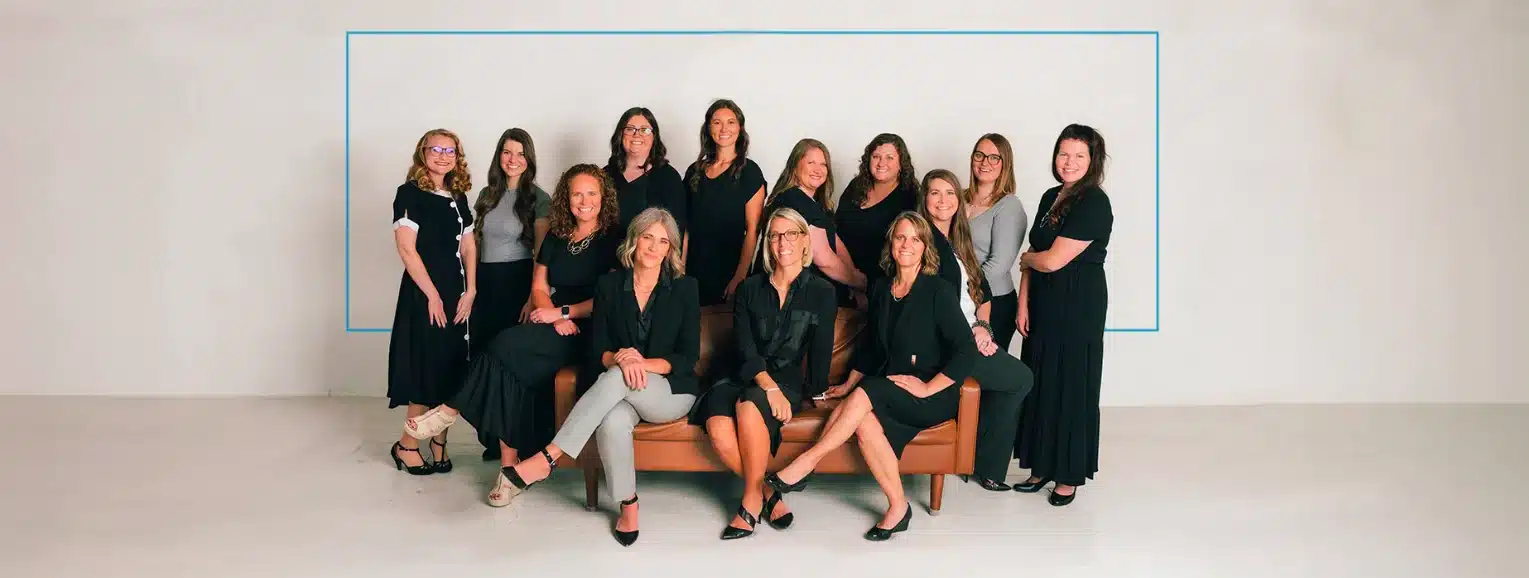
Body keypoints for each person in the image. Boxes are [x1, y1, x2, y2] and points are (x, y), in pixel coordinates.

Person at [469, 207, 699, 547]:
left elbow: (687, 358)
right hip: (622, 389)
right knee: (612, 422)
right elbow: (597, 351)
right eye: (647, 237)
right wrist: (619, 358)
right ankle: (629, 504)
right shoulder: (609, 286)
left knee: (617, 376)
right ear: (634, 240)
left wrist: (638, 362)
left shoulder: (685, 288)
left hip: (669, 392)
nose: (654, 247)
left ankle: (548, 458)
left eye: (663, 241)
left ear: (670, 249)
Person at [402, 164, 621, 491]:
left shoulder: (615, 239)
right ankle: (509, 468)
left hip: (589, 329)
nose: (584, 201)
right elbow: (539, 286)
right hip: (554, 322)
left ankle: (451, 408)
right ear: (567, 198)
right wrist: (553, 315)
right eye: (577, 194)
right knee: (504, 354)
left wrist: (564, 313)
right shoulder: (558, 234)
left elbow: (611, 298)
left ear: (604, 197)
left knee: (505, 349)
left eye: (591, 193)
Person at [764, 212, 977, 541]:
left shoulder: (938, 290)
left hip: (932, 394)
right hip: (892, 389)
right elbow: (873, 349)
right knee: (864, 420)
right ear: (891, 243)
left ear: (925, 247)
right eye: (900, 237)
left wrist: (928, 387)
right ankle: (898, 507)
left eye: (915, 239)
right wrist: (848, 384)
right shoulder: (881, 289)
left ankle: (806, 463)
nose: (906, 245)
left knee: (870, 391)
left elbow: (967, 350)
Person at [690, 207, 838, 540]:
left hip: (785, 380)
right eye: (775, 235)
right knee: (718, 428)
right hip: (737, 372)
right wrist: (768, 387)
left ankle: (750, 502)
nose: (783, 242)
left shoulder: (822, 292)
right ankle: (768, 492)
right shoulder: (750, 288)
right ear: (768, 243)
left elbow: (821, 351)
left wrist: (818, 393)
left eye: (791, 234)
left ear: (805, 240)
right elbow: (745, 348)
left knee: (748, 406)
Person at [1013, 124, 1114, 506]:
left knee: (1071, 384)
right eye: (1063, 154)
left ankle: (1067, 475)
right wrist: (1023, 303)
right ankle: (1041, 466)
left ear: (1093, 161)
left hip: (1077, 306)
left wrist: (1028, 259)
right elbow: (1031, 258)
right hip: (1042, 303)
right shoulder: (1050, 196)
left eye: (1079, 156)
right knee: (1040, 382)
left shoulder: (1094, 202)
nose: (1069, 162)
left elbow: (1052, 260)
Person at [918, 169, 1034, 492]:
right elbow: (928, 306)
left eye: (950, 193)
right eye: (935, 192)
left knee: (1016, 379)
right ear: (924, 199)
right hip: (948, 342)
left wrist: (982, 327)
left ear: (959, 199)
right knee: (1020, 379)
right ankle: (985, 465)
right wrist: (969, 337)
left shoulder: (958, 240)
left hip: (971, 333)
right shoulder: (921, 240)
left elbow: (982, 292)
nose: (943, 200)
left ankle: (979, 460)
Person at [386, 128, 476, 475]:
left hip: (456, 293)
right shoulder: (409, 194)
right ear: (422, 153)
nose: (442, 156)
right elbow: (406, 249)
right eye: (436, 149)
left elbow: (468, 245)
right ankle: (407, 446)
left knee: (450, 367)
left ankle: (439, 442)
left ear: (457, 157)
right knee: (425, 366)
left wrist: (471, 290)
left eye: (450, 151)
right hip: (424, 294)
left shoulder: (459, 195)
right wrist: (433, 295)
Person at [471, 128, 551, 460]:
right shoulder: (486, 195)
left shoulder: (538, 198)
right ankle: (492, 439)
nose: (513, 159)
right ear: (499, 156)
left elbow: (542, 254)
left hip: (518, 282)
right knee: (482, 356)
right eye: (507, 152)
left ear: (529, 159)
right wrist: (471, 287)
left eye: (520, 153)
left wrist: (533, 296)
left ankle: (519, 441)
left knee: (510, 363)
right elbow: (475, 243)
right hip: (485, 283)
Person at [683, 99, 767, 306]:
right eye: (717, 122)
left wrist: (739, 277)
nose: (724, 129)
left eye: (730, 122)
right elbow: (685, 228)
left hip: (728, 270)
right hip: (693, 269)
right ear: (708, 128)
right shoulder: (694, 171)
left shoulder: (750, 172)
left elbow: (753, 229)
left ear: (740, 128)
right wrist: (680, 270)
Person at [761, 138, 867, 301]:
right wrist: (860, 283)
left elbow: (837, 245)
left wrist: (853, 278)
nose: (818, 169)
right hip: (799, 300)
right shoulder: (794, 199)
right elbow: (824, 259)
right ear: (795, 167)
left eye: (823, 164)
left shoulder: (817, 205)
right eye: (811, 163)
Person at [833, 133, 919, 309]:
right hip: (841, 275)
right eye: (876, 156)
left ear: (901, 163)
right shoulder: (856, 187)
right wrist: (851, 278)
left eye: (889, 157)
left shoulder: (910, 196)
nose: (881, 163)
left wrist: (864, 288)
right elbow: (835, 230)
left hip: (881, 287)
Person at [964, 133, 1028, 351]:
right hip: (960, 300)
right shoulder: (956, 198)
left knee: (986, 367)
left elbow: (999, 265)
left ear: (1005, 163)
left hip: (993, 301)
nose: (985, 162)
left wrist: (961, 288)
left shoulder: (1009, 206)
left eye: (994, 157)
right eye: (979, 155)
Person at [604, 107, 687, 237]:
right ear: (620, 134)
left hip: (650, 250)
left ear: (654, 136)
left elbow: (677, 230)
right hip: (607, 249)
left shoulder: (669, 177)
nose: (637, 135)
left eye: (645, 130)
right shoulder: (605, 175)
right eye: (630, 129)